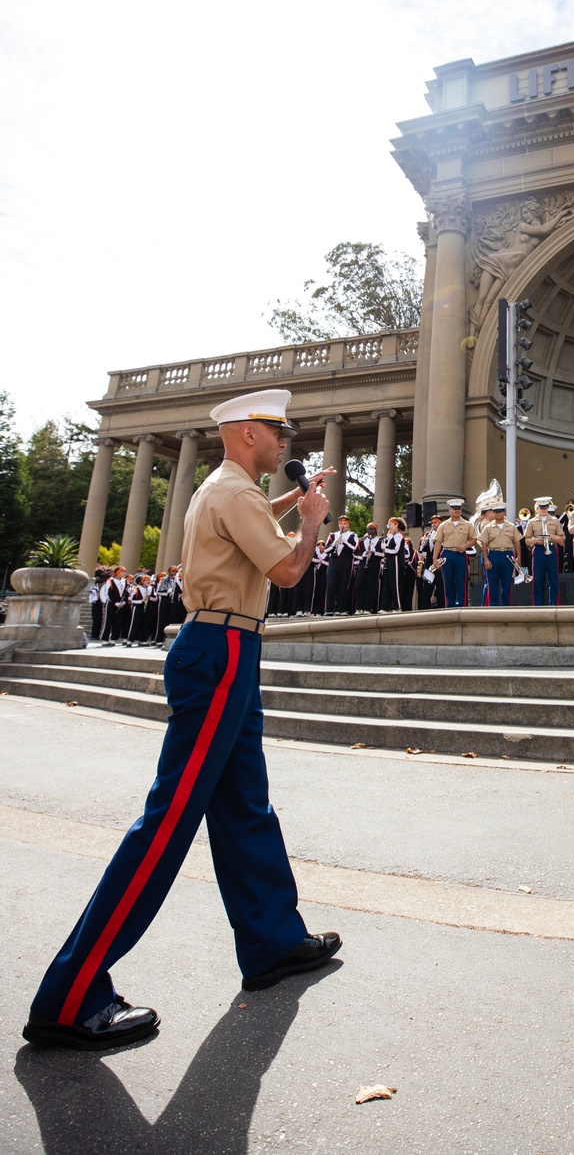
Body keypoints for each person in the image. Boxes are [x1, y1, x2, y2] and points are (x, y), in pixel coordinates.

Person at [23, 388, 341, 1052]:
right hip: (222, 650)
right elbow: (285, 568)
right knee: (168, 822)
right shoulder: (234, 493)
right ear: (248, 434)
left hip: (228, 648)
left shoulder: (223, 489)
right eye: (277, 431)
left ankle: (273, 942)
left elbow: (254, 522)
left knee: (245, 805)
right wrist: (310, 522)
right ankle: (71, 995)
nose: (286, 440)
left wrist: (293, 501)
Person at [433, 499, 476, 607]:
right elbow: (438, 542)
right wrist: (435, 559)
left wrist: (465, 546)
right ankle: (450, 604)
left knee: (461, 580)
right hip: (447, 554)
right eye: (454, 509)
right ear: (449, 510)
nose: (457, 511)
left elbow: (474, 539)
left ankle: (461, 604)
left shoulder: (467, 524)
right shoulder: (443, 525)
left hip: (460, 554)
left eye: (459, 509)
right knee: (448, 581)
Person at [478, 501, 523, 606]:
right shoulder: (488, 527)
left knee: (507, 583)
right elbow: (484, 544)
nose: (498, 514)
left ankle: (506, 607)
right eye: (496, 512)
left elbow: (517, 542)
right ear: (493, 513)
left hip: (507, 555)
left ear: (504, 512)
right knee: (492, 584)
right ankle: (493, 607)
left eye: (501, 511)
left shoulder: (511, 526)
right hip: (493, 555)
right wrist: (486, 559)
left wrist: (519, 556)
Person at [524, 497, 565, 606]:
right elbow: (527, 540)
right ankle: (538, 605)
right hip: (538, 549)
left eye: (545, 507)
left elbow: (561, 539)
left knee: (553, 578)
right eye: (541, 508)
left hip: (551, 548)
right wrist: (536, 540)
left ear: (548, 507)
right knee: (538, 579)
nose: (543, 510)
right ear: (538, 508)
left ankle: (554, 604)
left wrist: (550, 536)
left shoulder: (555, 520)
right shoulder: (532, 521)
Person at [325, 517, 358, 616]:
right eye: (341, 523)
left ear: (348, 525)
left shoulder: (353, 535)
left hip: (346, 561)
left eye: (344, 523)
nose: (342, 525)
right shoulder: (332, 535)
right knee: (331, 584)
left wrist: (344, 541)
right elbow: (326, 550)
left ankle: (340, 608)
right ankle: (329, 609)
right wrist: (334, 544)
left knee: (343, 585)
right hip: (334, 560)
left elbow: (354, 549)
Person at [379, 517, 409, 611]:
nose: (389, 527)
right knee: (387, 584)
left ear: (396, 525)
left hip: (396, 562)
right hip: (389, 561)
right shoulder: (391, 536)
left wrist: (385, 549)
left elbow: (396, 550)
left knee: (395, 585)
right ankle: (385, 607)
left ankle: (397, 606)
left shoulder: (398, 536)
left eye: (390, 525)